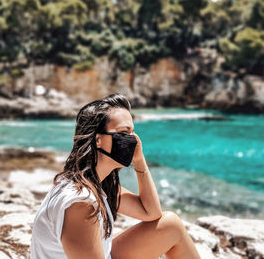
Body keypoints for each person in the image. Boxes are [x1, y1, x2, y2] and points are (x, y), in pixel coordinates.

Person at [30, 93, 201, 259]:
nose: (132, 140)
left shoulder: (93, 183)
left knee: (171, 225)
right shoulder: (81, 203)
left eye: (132, 133)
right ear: (98, 140)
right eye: (124, 132)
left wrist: (139, 161)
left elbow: (151, 212)